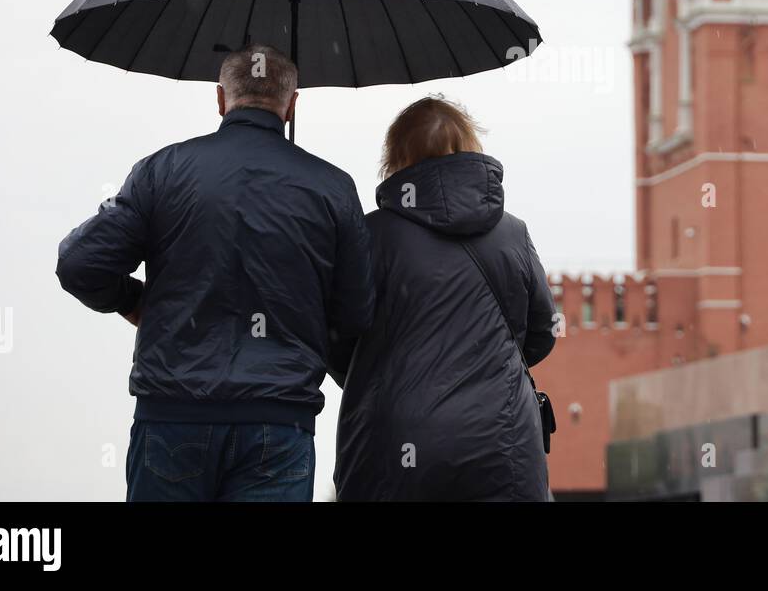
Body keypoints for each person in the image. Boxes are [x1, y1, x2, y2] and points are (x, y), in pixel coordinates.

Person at [56, 44, 373, 501]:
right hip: (279, 425)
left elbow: (80, 263)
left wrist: (133, 301)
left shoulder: (161, 171)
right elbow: (357, 313)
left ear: (221, 99)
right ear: (293, 103)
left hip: (171, 417)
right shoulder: (333, 188)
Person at [333, 96, 556, 501]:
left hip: (398, 441)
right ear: (471, 147)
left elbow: (337, 336)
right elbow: (543, 331)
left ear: (397, 157)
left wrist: (378, 377)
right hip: (503, 442)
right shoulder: (514, 234)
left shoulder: (371, 235)